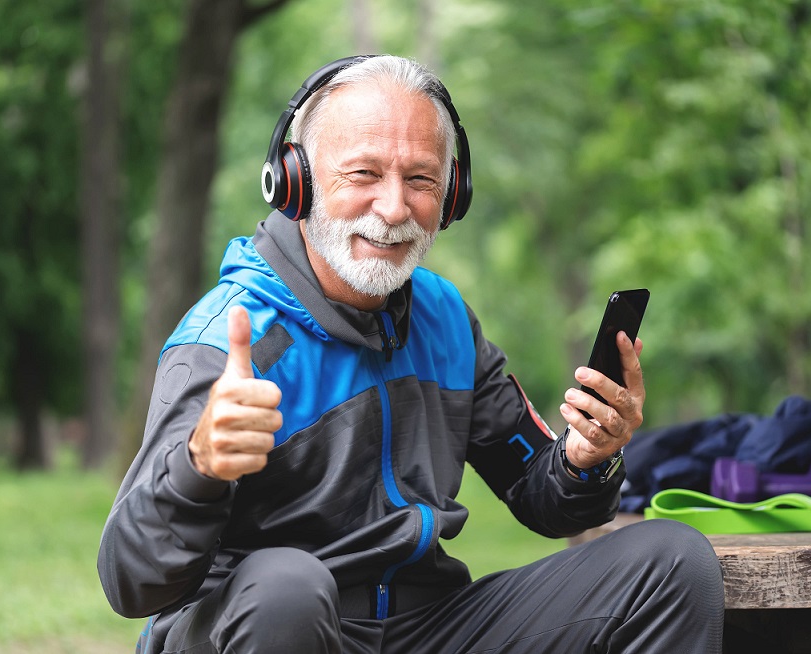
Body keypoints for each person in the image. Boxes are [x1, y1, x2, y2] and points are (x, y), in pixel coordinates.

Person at [98, 54, 725, 654]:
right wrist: (199, 465)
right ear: (295, 182)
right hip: (260, 626)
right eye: (363, 173)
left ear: (452, 196)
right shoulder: (221, 342)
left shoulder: (445, 318)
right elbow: (130, 581)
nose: (394, 208)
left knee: (671, 561)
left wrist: (587, 458)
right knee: (288, 590)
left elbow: (543, 497)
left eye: (421, 179)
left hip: (424, 625)